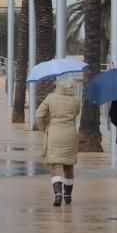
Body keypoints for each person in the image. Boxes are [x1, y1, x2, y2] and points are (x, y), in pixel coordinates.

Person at [35, 76, 81, 206]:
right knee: (68, 165)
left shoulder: (51, 98)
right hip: (70, 133)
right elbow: (76, 113)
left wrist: (45, 129)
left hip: (54, 133)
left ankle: (57, 195)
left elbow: (39, 115)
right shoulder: (76, 100)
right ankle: (68, 195)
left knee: (56, 165)